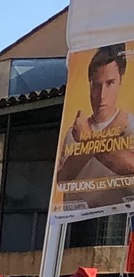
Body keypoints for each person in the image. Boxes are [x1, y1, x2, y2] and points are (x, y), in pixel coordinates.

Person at [56, 44, 134, 197]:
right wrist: (90, 138)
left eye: (110, 83)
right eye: (96, 85)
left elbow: (130, 166)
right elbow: (62, 179)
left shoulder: (130, 124)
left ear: (121, 81)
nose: (102, 95)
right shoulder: (74, 132)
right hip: (78, 212)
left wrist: (87, 139)